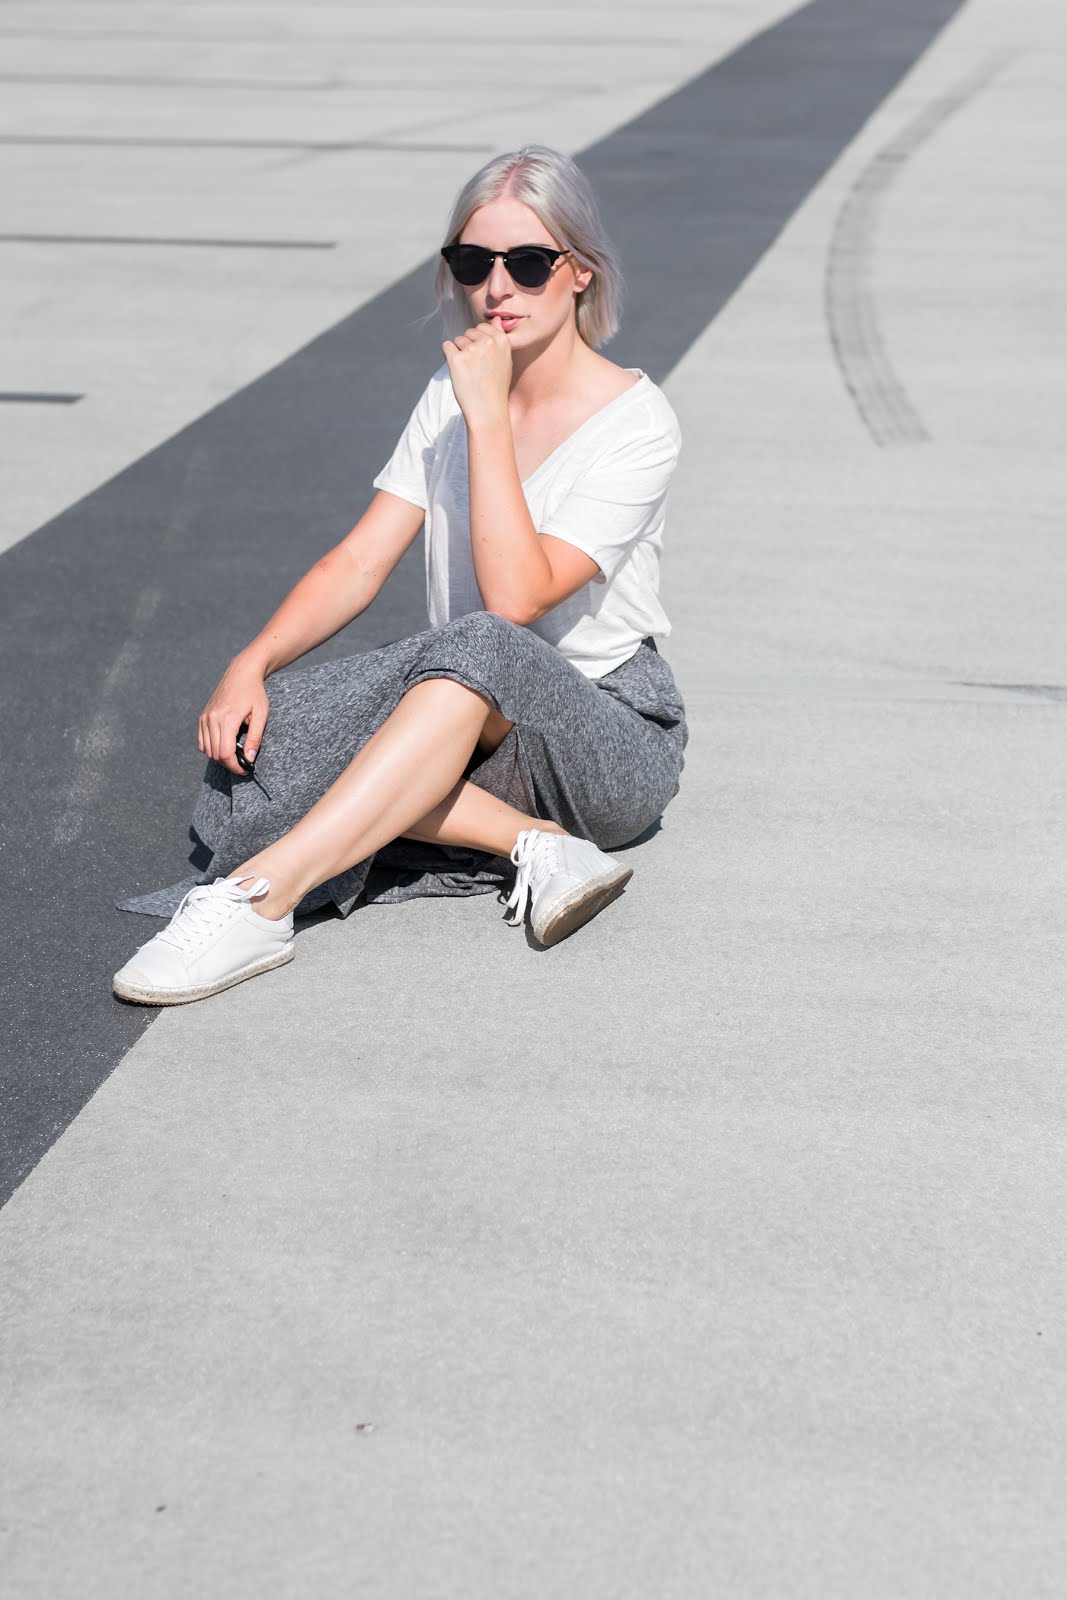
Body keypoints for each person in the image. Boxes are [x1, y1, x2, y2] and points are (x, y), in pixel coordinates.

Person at [113, 144, 687, 1006]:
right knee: (276, 730)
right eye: (472, 262)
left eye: (528, 264)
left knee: (480, 645)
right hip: (472, 717)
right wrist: (251, 662)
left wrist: (487, 417)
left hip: (603, 734)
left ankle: (259, 901)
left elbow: (516, 599)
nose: (497, 288)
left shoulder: (636, 423)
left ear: (579, 273)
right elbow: (359, 559)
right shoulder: (446, 393)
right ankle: (533, 843)